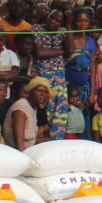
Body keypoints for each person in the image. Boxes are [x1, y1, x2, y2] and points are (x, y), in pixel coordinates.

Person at [31, 9, 70, 139]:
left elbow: (70, 50)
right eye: (51, 17)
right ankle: (39, 138)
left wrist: (69, 25)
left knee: (58, 109)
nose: (53, 21)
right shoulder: (36, 29)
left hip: (59, 77)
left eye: (58, 20)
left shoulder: (64, 32)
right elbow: (40, 52)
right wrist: (62, 51)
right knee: (42, 108)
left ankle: (55, 139)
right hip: (42, 75)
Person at [5, 77, 51, 150]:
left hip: (29, 146)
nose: (43, 94)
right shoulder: (20, 110)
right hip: (17, 151)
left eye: (46, 92)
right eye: (39, 91)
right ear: (30, 91)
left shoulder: (33, 107)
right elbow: (19, 145)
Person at [65, 9, 97, 103]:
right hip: (68, 85)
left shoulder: (91, 41)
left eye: (85, 21)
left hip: (84, 87)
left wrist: (92, 93)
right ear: (74, 21)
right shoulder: (69, 40)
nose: (82, 24)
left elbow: (92, 67)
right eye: (79, 21)